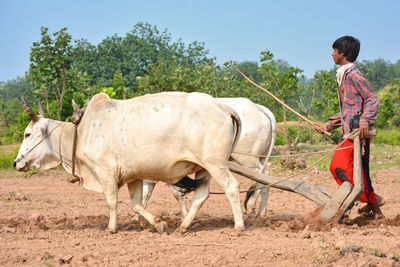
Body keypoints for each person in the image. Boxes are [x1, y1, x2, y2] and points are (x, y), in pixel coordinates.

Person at [314, 35, 384, 218]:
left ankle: (368, 198)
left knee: (338, 165)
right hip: (348, 131)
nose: (332, 54)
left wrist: (364, 121)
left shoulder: (354, 75)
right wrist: (328, 126)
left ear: (342, 53)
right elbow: (348, 109)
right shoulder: (343, 75)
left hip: (356, 133)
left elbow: (372, 99)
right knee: (358, 170)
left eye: (334, 51)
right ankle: (373, 205)